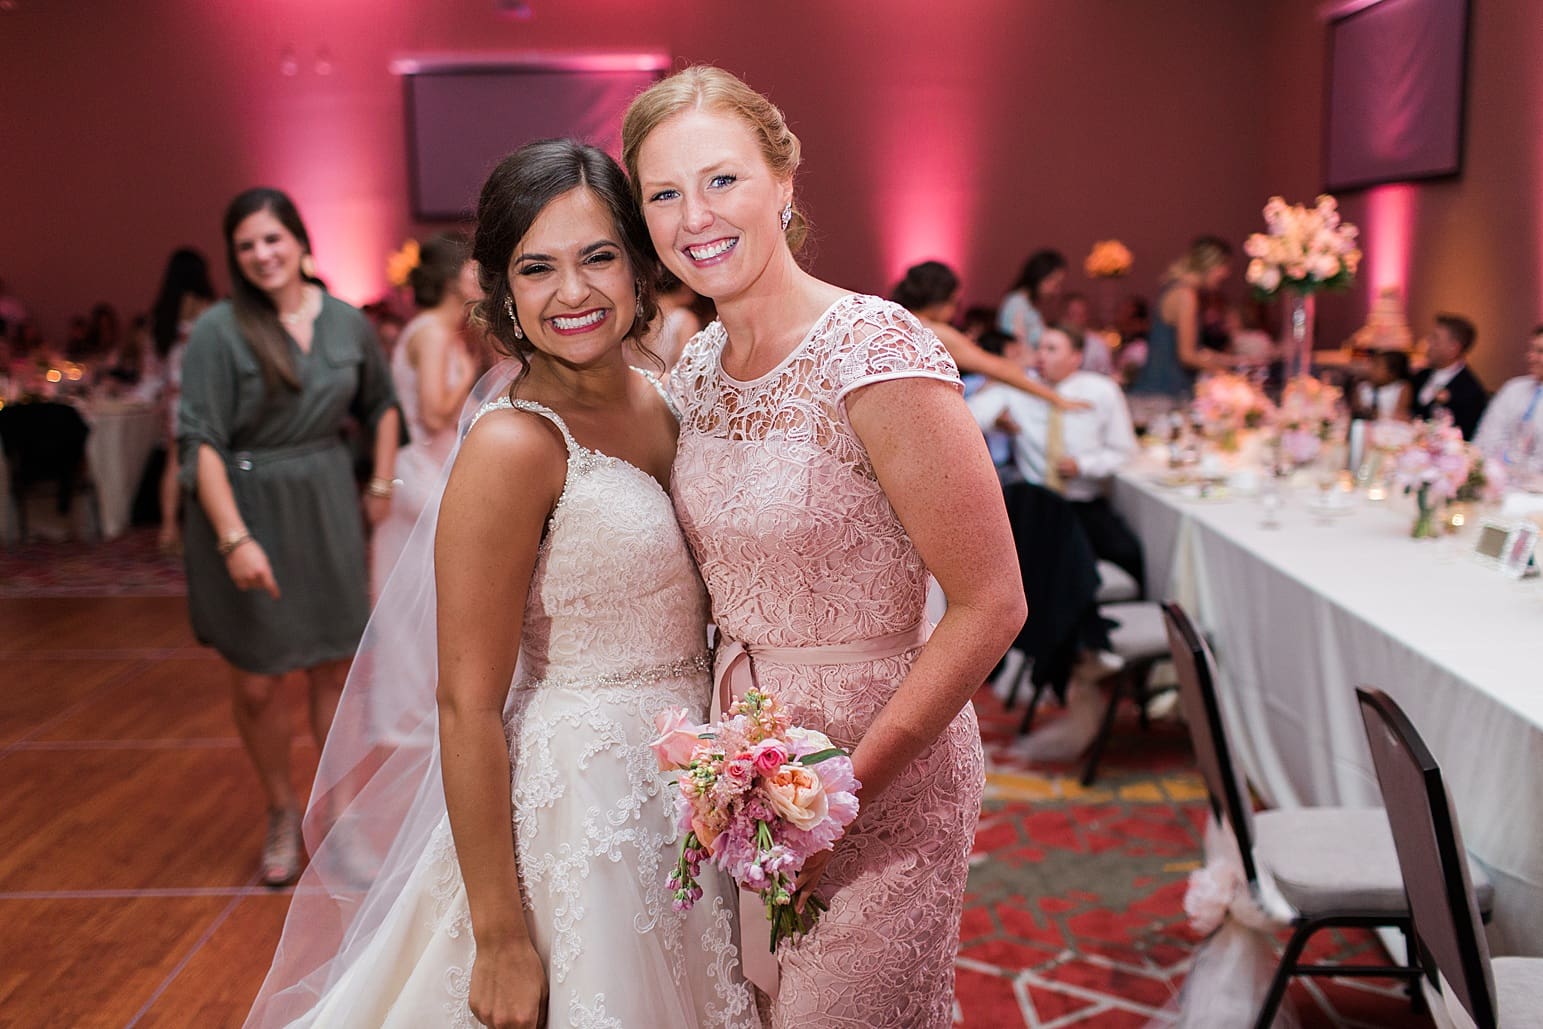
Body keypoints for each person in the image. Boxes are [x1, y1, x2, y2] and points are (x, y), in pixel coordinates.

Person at [245, 140, 753, 1029]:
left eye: (597, 256)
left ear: (638, 264)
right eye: (538, 267)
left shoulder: (664, 394)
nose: (573, 292)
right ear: (502, 289)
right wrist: (501, 935)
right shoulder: (513, 445)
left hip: (688, 789)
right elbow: (465, 705)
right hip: (578, 808)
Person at [624, 66, 1025, 1028]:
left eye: (721, 180)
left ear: (785, 180)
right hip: (738, 782)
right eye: (664, 194)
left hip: (883, 783)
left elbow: (992, 602)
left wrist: (842, 788)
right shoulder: (695, 370)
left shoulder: (873, 349)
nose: (695, 217)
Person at [178, 188, 403, 887]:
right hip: (245, 507)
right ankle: (281, 810)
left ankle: (337, 822)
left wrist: (378, 486)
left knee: (334, 671)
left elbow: (382, 406)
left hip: (327, 500)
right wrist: (234, 539)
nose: (262, 255)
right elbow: (200, 442)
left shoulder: (345, 322)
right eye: (246, 246)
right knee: (256, 683)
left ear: (301, 242)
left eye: (272, 239)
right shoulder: (219, 330)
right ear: (235, 259)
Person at [967, 328, 1144, 592]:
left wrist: (1083, 466)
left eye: (1051, 349)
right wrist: (996, 416)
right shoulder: (1020, 387)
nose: (1041, 355)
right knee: (1034, 575)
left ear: (1075, 357)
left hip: (1083, 504)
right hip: (1037, 507)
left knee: (1128, 554)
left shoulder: (1102, 390)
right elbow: (969, 416)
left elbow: (1124, 452)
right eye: (1039, 348)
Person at [370, 231, 479, 598]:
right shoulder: (433, 333)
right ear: (453, 277)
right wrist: (465, 378)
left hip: (436, 461)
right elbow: (434, 416)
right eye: (472, 266)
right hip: (425, 469)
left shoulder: (439, 330)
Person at [892, 260, 1087, 410]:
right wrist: (1057, 399)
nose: (954, 313)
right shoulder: (930, 330)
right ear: (939, 300)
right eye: (954, 303)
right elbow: (999, 369)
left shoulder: (893, 322)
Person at [150, 247, 217, 554]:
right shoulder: (203, 307)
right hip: (198, 391)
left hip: (173, 394)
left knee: (173, 461)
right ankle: (203, 529)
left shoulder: (164, 309)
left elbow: (158, 361)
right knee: (204, 459)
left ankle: (167, 529)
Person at [1128, 235, 1235, 399]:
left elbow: (1198, 351)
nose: (1227, 274)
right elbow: (1187, 355)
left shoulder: (1178, 289)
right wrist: (1227, 376)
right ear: (1211, 265)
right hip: (1164, 393)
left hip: (1163, 390)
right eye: (1225, 267)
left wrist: (1237, 362)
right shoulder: (1185, 295)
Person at [1473, 325, 1543, 479]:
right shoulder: (1513, 388)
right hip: (1497, 478)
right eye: (1531, 350)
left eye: (1540, 352)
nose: (1531, 357)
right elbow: (1487, 436)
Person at [1410, 313, 1489, 438]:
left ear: (1453, 348)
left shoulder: (1471, 392)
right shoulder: (1421, 375)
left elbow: (1465, 438)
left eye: (1435, 338)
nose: (1427, 343)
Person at [997, 248, 1065, 352]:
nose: (1057, 291)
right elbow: (1014, 349)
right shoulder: (1016, 303)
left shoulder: (1026, 304)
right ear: (1041, 277)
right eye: (1056, 284)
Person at [1058, 292, 1116, 376]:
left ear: (1086, 316)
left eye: (1080, 315)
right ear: (1063, 315)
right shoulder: (1054, 340)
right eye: (1072, 314)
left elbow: (1106, 374)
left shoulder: (1097, 344)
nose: (1076, 320)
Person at [1350, 349, 1413, 423]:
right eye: (1372, 365)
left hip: (1391, 428)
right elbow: (1356, 410)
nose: (1371, 369)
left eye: (1377, 366)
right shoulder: (1362, 386)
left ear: (1392, 373)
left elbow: (1401, 414)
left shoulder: (1402, 387)